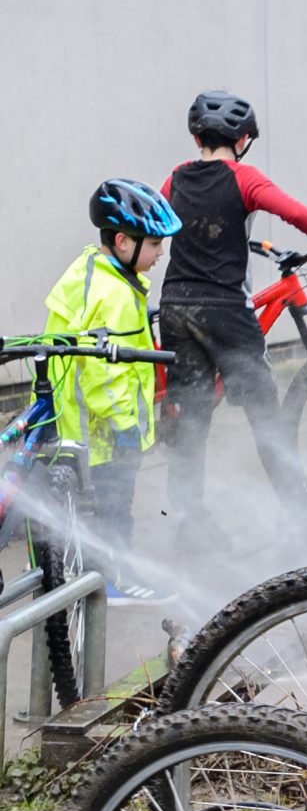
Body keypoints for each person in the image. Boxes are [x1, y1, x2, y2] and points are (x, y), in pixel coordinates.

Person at [159, 90, 307, 548]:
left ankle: (190, 524)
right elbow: (295, 213)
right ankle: (302, 516)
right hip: (225, 310)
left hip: (175, 306)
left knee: (191, 418)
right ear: (243, 138)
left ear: (197, 138)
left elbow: (154, 217)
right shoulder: (244, 179)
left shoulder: (174, 179)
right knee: (266, 416)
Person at [42, 180, 182, 605]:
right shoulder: (117, 294)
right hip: (105, 431)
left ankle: (96, 574)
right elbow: (107, 376)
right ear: (122, 241)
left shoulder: (94, 267)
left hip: (75, 419)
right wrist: (125, 427)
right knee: (114, 509)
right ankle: (114, 582)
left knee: (96, 508)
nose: (161, 254)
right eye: (155, 244)